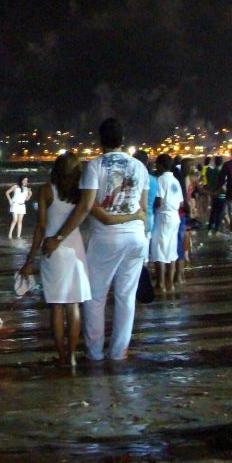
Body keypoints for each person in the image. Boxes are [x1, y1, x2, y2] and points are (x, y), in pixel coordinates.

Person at [43, 118, 149, 362]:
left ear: (101, 140)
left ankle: (94, 352)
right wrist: (131, 219)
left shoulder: (95, 167)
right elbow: (143, 209)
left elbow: (84, 207)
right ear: (123, 139)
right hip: (136, 237)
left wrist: (59, 236)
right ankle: (118, 352)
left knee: (96, 296)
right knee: (125, 296)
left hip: (106, 239)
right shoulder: (140, 168)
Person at [18, 153, 92, 366]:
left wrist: (29, 260)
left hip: (53, 251)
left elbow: (41, 227)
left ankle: (61, 356)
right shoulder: (81, 193)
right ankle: (71, 354)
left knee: (57, 306)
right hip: (75, 249)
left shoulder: (46, 191)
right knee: (73, 305)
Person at [150, 154, 184, 292]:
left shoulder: (161, 180)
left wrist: (152, 205)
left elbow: (159, 201)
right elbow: (181, 202)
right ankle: (171, 283)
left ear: (161, 165)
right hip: (175, 216)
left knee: (159, 250)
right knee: (171, 250)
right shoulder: (175, 180)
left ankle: (161, 283)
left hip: (163, 216)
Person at [205, 156, 227, 235]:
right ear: (222, 162)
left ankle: (210, 228)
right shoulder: (221, 172)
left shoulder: (210, 171)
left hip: (213, 194)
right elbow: (223, 184)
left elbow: (208, 183)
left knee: (213, 211)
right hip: (221, 195)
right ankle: (217, 229)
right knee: (220, 212)